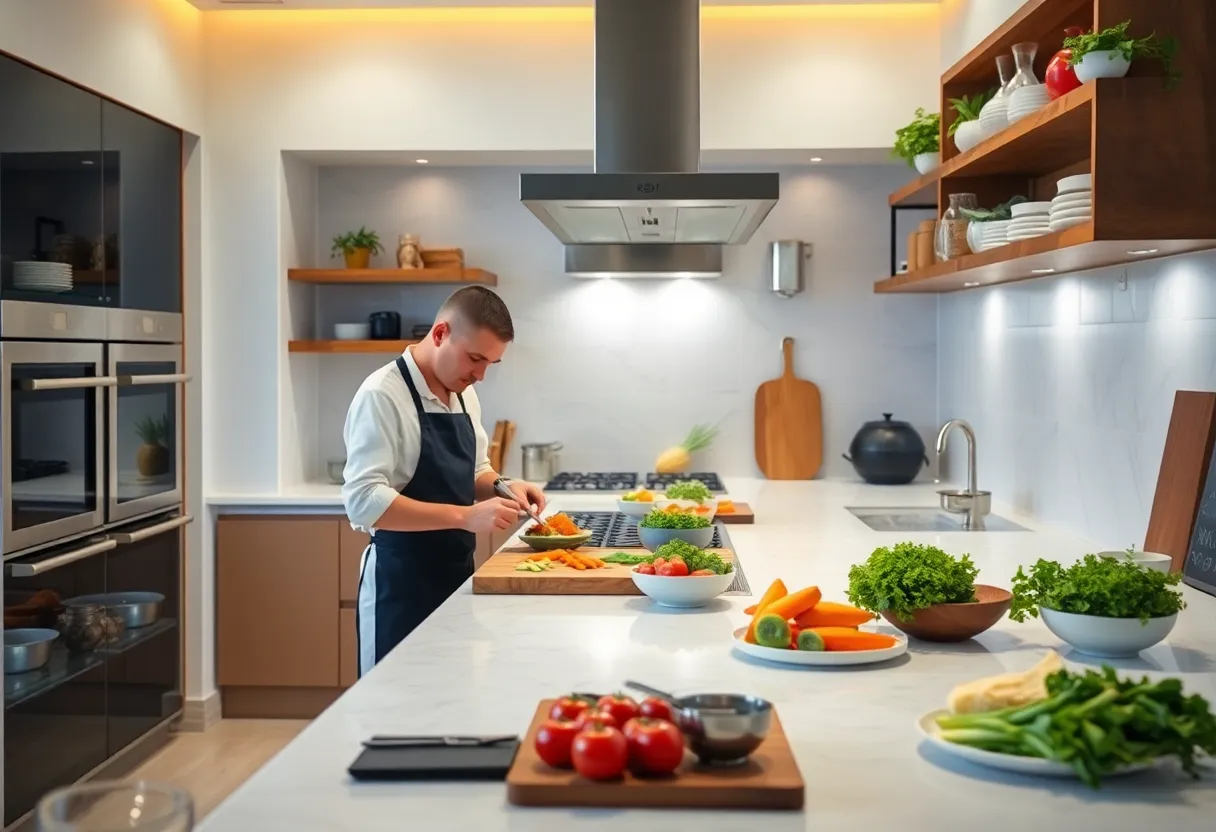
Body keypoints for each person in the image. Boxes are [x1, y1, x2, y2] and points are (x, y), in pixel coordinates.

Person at [341, 286, 544, 676]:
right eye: (475, 359)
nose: (480, 375)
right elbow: (365, 502)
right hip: (398, 590)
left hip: (455, 579)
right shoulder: (382, 395)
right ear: (439, 334)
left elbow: (474, 470)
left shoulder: (463, 393)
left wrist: (505, 485)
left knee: (449, 705)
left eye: (491, 364)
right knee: (392, 715)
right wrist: (466, 517)